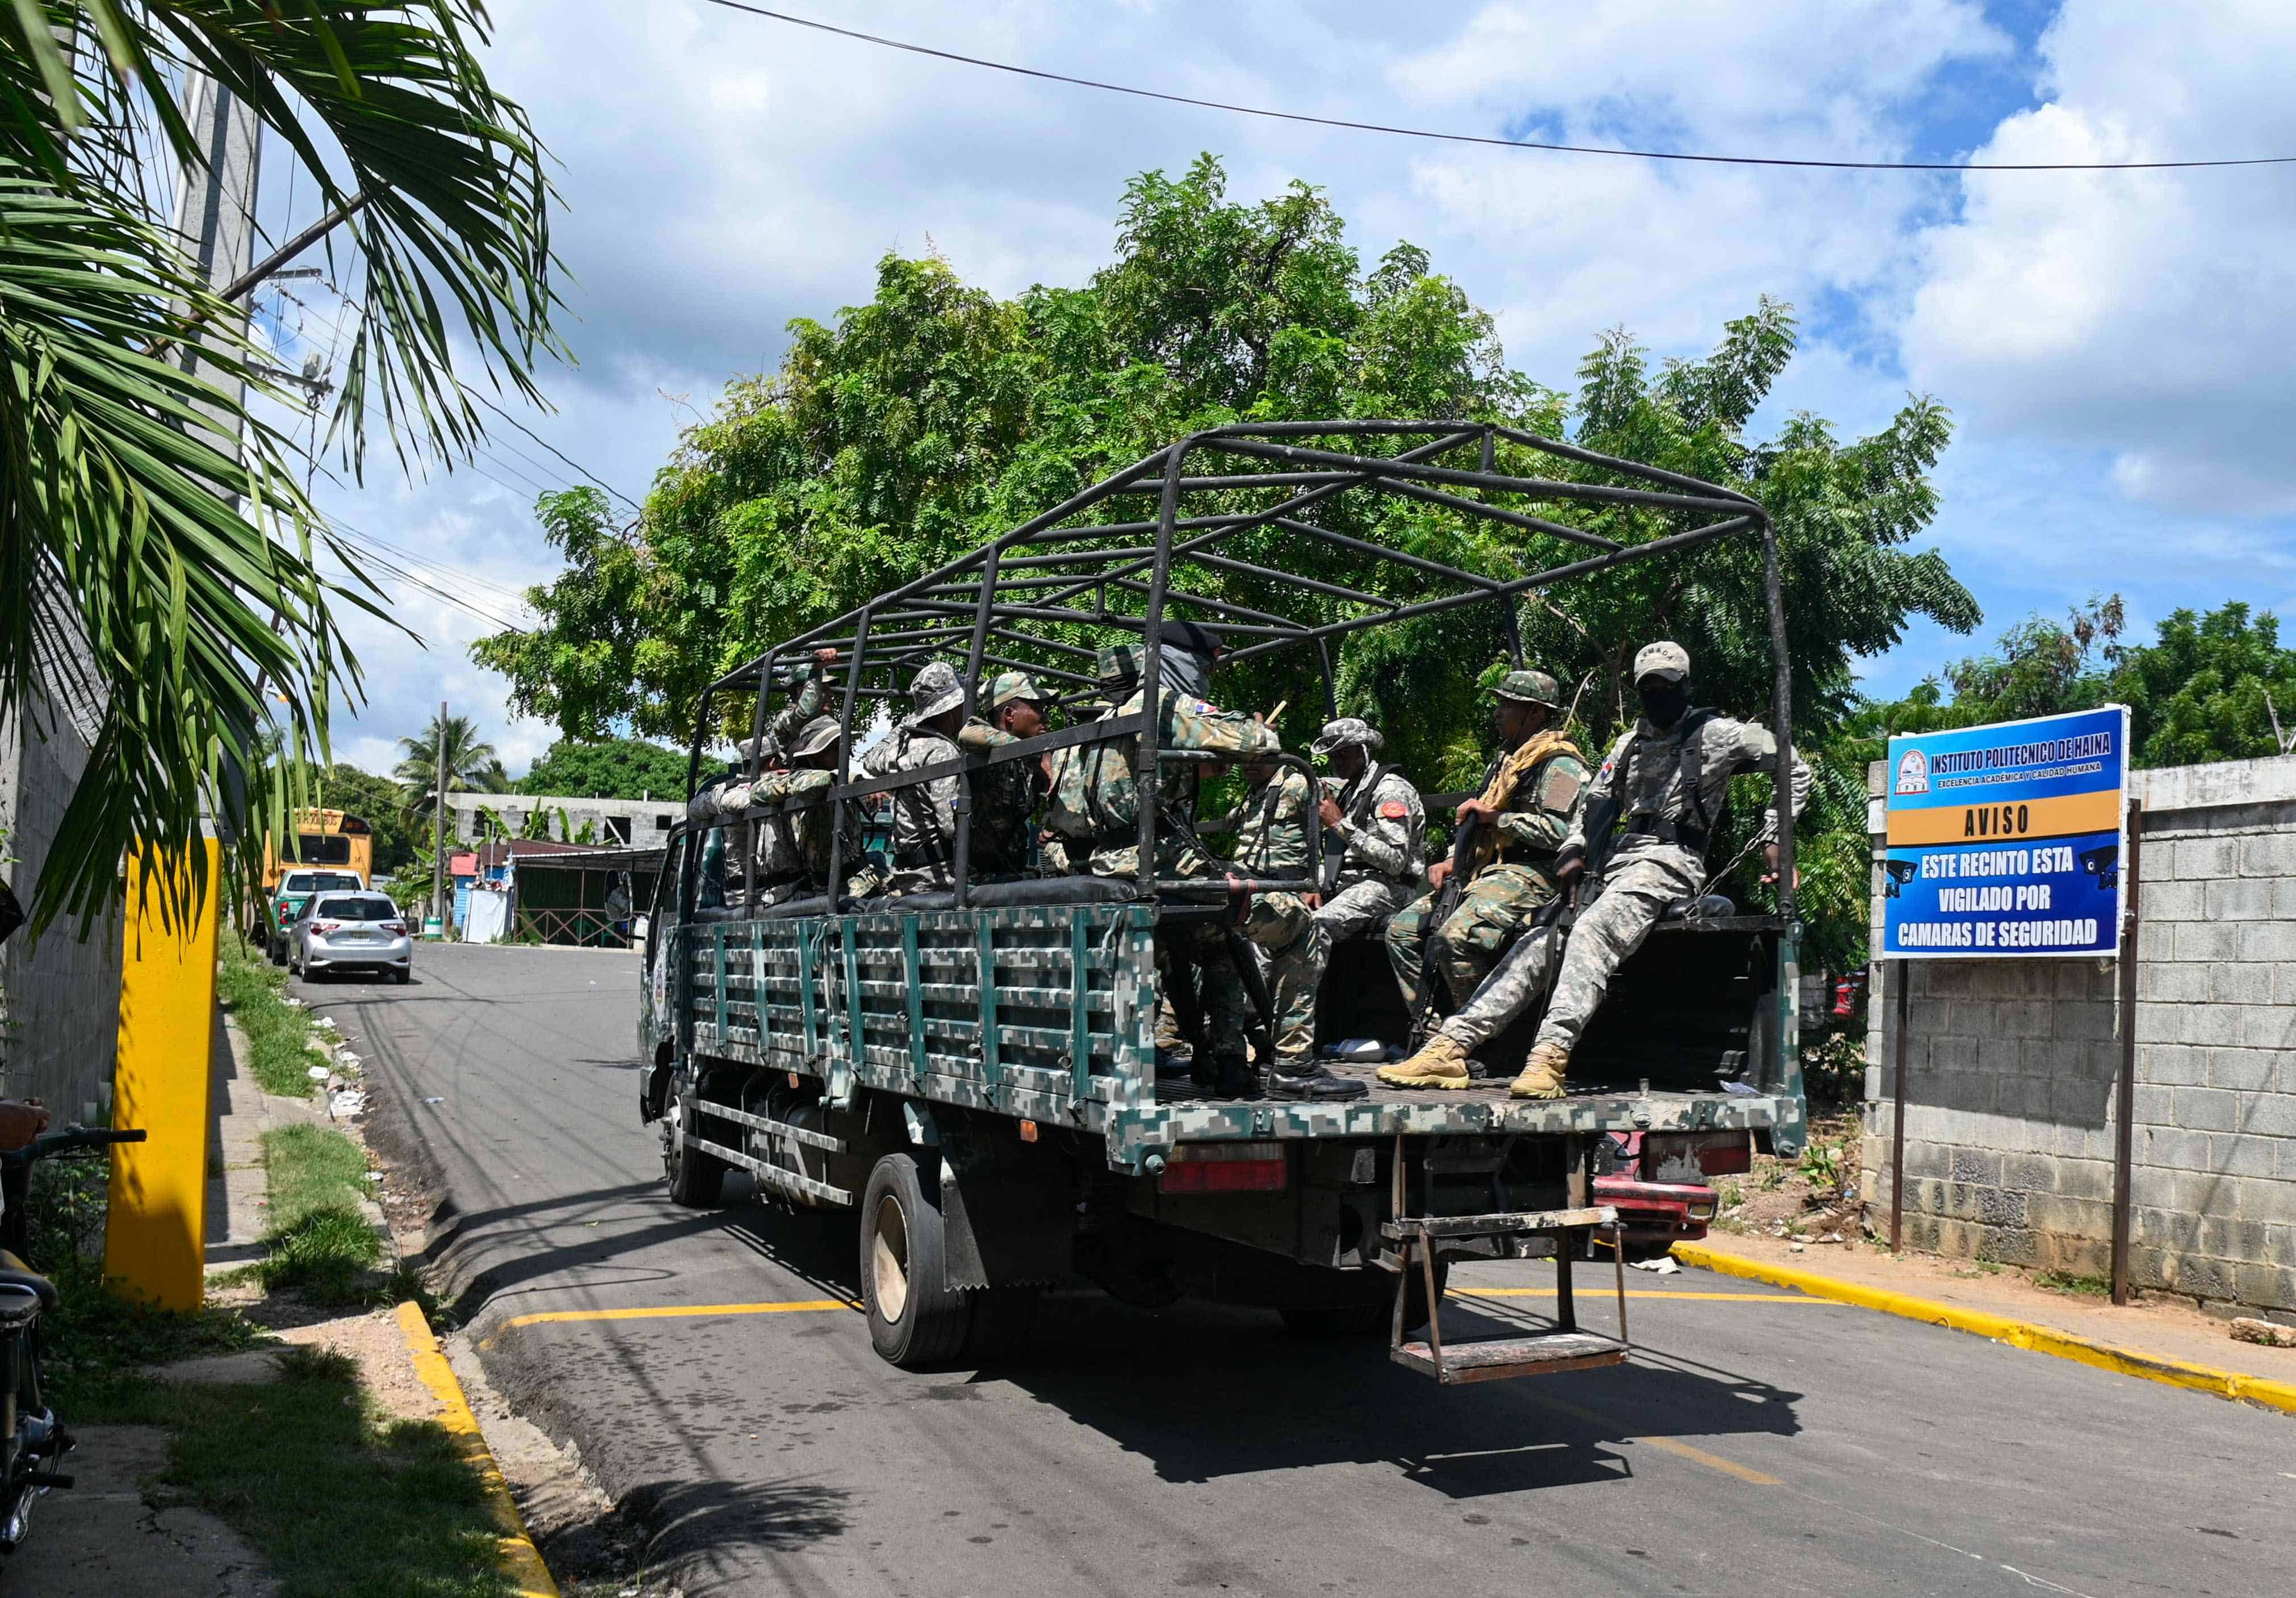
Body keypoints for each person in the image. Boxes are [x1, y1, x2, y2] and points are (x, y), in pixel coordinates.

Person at [1507, 640, 1813, 1100]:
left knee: (1592, 931)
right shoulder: (1628, 743)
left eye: (1666, 685)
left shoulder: (1718, 733)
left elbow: (1793, 765)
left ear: (1685, 685)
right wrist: (1574, 847)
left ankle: (1549, 1055)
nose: (1657, 695)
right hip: (1614, 860)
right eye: (1647, 687)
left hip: (1671, 862)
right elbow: (1593, 800)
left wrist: (1776, 839)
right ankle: (1464, 1041)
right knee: (1541, 930)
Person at [1045, 624, 1279, 1096]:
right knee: (1248, 928)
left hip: (1110, 859)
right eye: (1206, 665)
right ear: (1179, 661)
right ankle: (1255, 1055)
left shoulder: (1107, 717)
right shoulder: (1167, 704)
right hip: (1156, 861)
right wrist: (1260, 730)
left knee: (1189, 943)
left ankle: (1206, 1053)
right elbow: (1258, 744)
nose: (1208, 675)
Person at [1381, 669, 1588, 1068]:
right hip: (1485, 871)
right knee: (1402, 931)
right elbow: (1477, 824)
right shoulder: (1507, 762)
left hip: (1531, 873)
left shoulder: (1560, 764)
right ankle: (1434, 1034)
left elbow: (1562, 831)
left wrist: (1498, 819)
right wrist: (1449, 860)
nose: (1497, 713)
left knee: (1455, 936)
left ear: (1532, 714)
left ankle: (1478, 1040)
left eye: (1506, 705)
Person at [1204, 745, 1368, 1102]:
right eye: (1243, 759)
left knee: (1268, 959)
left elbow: (1328, 815)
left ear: (1274, 756)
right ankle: (1272, 1058)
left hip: (1284, 886)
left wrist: (1313, 882)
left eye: (1255, 757)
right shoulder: (1254, 793)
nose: (1247, 767)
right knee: (1241, 969)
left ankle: (1260, 1056)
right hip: (1250, 885)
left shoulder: (1298, 783)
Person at [1307, 716, 1424, 949]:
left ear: (1363, 750)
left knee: (1315, 927)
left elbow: (1394, 861)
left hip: (1389, 886)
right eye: (1333, 756)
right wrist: (1313, 887)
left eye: (1344, 754)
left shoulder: (1390, 790)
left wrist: (1340, 824)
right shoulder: (1350, 791)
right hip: (1350, 880)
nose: (1337, 762)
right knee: (1282, 914)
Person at [858, 661, 967, 896]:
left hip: (910, 874)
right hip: (941, 876)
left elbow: (870, 760)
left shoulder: (902, 749)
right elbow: (952, 827)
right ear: (951, 709)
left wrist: (910, 722)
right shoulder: (941, 751)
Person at [957, 670, 1053, 880]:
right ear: (1009, 714)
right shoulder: (985, 748)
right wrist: (1034, 753)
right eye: (1037, 708)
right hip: (977, 878)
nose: (1046, 717)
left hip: (1010, 871)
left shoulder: (1023, 764)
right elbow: (968, 733)